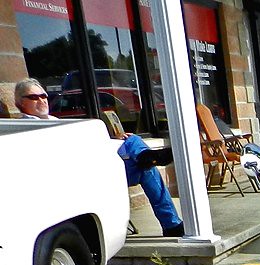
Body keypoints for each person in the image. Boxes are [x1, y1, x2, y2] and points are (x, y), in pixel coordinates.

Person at [14, 78, 185, 237]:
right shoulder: (26, 127)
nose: (41, 100)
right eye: (34, 97)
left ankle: (143, 156)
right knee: (145, 166)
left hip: (96, 167)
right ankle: (171, 225)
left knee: (137, 151)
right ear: (20, 103)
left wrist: (111, 141)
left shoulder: (54, 121)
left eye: (43, 95)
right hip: (80, 179)